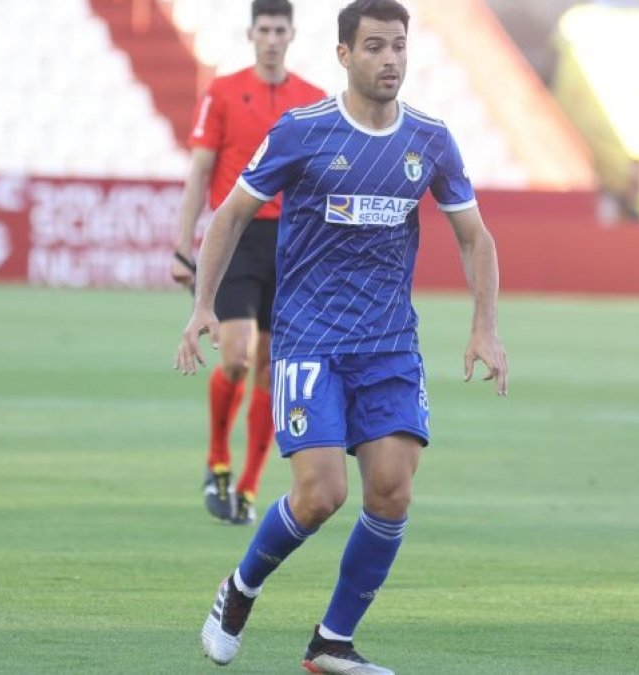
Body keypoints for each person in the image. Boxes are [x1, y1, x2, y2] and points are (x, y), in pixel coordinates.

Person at [175, 0, 509, 671]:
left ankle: (332, 640)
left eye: (399, 46)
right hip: (310, 340)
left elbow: (475, 236)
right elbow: (232, 213)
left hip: (389, 346)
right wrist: (203, 304)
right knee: (321, 494)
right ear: (344, 54)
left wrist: (485, 327)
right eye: (376, 46)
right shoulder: (303, 132)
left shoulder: (430, 139)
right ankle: (239, 589)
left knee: (391, 491)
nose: (391, 59)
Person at [171, 0, 324, 525]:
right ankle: (217, 461)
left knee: (269, 370)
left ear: (292, 35)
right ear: (251, 34)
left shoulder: (313, 101)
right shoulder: (221, 92)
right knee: (235, 357)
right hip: (236, 236)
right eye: (265, 29)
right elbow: (199, 172)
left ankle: (249, 487)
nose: (273, 39)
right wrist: (183, 247)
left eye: (281, 30)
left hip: (291, 244)